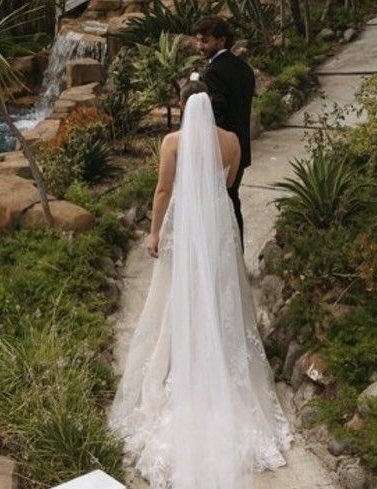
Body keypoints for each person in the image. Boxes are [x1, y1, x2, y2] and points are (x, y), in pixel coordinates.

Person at [108, 77, 291, 489]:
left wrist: (154, 233)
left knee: (181, 293)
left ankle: (185, 356)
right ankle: (222, 360)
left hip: (187, 225)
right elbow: (227, 184)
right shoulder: (232, 141)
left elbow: (162, 190)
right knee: (222, 292)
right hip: (218, 222)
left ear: (183, 105)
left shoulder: (173, 142)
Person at [194, 16, 256, 247]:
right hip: (241, 148)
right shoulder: (244, 68)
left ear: (221, 40)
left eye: (205, 41)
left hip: (221, 152)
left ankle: (224, 257)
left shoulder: (213, 72)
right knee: (232, 201)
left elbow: (217, 114)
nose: (200, 46)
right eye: (198, 40)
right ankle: (237, 255)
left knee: (218, 206)